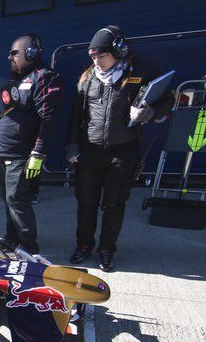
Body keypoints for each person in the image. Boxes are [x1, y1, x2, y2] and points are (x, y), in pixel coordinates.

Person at [65, 25, 174, 272]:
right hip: (90, 150)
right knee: (86, 202)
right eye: (92, 57)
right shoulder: (87, 78)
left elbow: (168, 99)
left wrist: (152, 112)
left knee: (113, 204)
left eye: (101, 56)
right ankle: (83, 246)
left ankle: (106, 249)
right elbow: (75, 116)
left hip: (123, 151)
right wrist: (71, 145)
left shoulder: (143, 70)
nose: (97, 62)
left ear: (119, 50)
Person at [0, 33, 62, 255]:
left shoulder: (44, 77)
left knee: (17, 199)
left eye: (14, 53)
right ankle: (12, 240)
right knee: (8, 199)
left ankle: (30, 249)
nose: (9, 57)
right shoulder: (14, 82)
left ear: (31, 53)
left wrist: (38, 153)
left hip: (22, 154)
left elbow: (49, 118)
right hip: (4, 153)